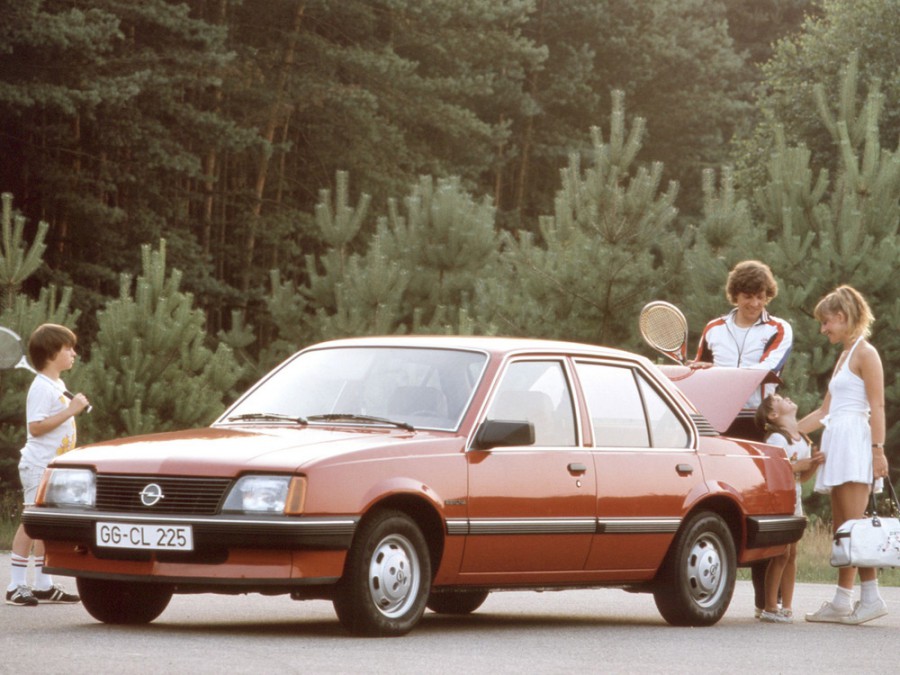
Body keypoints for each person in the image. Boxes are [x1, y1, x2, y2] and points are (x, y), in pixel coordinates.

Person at [693, 260, 794, 618]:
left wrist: (719, 375)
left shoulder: (779, 328)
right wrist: (701, 373)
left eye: (762, 296)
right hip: (717, 423)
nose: (756, 303)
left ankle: (765, 605)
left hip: (758, 423)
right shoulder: (714, 328)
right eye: (749, 296)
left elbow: (766, 368)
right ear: (735, 295)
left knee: (762, 510)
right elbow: (697, 370)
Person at [800, 285, 889, 625]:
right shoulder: (844, 354)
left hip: (855, 441)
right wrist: (787, 429)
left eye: (826, 323)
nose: (823, 330)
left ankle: (871, 598)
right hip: (837, 439)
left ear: (841, 317)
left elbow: (877, 405)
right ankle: (842, 600)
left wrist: (878, 451)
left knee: (854, 526)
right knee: (842, 527)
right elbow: (825, 410)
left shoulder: (866, 353)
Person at [5, 324, 89, 606]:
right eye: (68, 348)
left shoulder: (57, 385)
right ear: (53, 353)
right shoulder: (40, 387)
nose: (73, 353)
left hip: (54, 468)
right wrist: (71, 410)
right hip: (38, 466)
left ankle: (43, 584)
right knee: (31, 523)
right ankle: (15, 585)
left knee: (46, 526)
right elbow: (36, 428)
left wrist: (69, 407)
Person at [754, 394, 824, 623]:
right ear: (774, 415)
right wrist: (800, 465)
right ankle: (770, 607)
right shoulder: (777, 438)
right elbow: (774, 469)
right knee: (781, 553)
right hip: (778, 501)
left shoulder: (802, 439)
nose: (786, 398)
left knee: (792, 554)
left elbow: (801, 478)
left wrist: (813, 465)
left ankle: (787, 606)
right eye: (778, 399)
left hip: (795, 500)